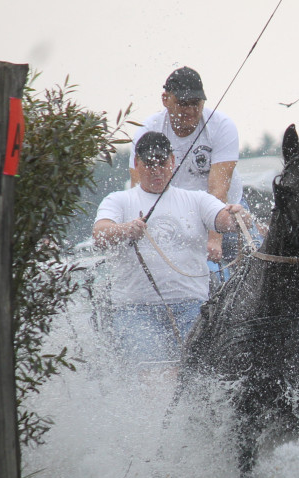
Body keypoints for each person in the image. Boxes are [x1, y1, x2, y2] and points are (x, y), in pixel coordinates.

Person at [94, 131, 248, 369]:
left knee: (199, 371)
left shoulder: (196, 200)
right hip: (136, 310)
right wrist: (126, 229)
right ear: (137, 164)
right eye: (149, 164)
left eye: (162, 163)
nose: (156, 170)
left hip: (192, 307)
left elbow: (223, 219)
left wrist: (238, 217)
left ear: (173, 162)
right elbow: (100, 234)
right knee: (153, 372)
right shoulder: (118, 200)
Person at [130, 67, 248, 288]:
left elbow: (218, 190)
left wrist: (214, 239)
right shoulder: (149, 130)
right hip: (176, 214)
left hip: (224, 210)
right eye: (183, 103)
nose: (191, 110)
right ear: (165, 99)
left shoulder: (222, 126)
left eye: (197, 103)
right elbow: (140, 191)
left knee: (259, 262)